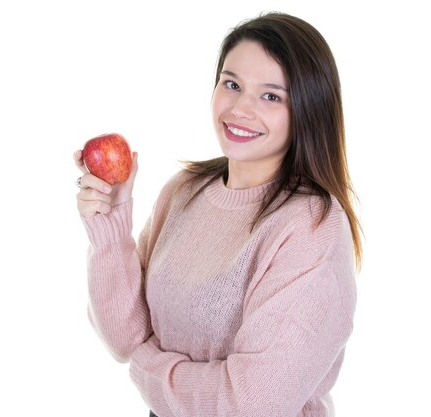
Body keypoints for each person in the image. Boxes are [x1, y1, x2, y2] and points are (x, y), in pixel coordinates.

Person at [73, 12, 362, 417]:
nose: (240, 108)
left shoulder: (312, 226)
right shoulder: (185, 190)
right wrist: (110, 224)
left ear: (308, 111)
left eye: (271, 96)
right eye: (231, 84)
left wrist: (150, 368)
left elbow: (253, 403)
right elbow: (124, 336)